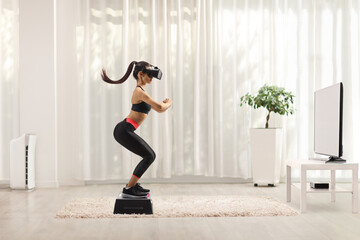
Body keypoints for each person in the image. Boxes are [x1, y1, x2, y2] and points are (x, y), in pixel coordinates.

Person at [101, 61, 172, 198]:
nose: (151, 78)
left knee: (149, 156)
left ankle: (132, 186)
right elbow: (160, 108)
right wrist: (168, 103)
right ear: (140, 74)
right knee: (150, 156)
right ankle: (129, 189)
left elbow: (157, 106)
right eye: (149, 75)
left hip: (126, 130)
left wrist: (162, 104)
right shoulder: (139, 92)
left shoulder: (142, 91)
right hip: (123, 130)